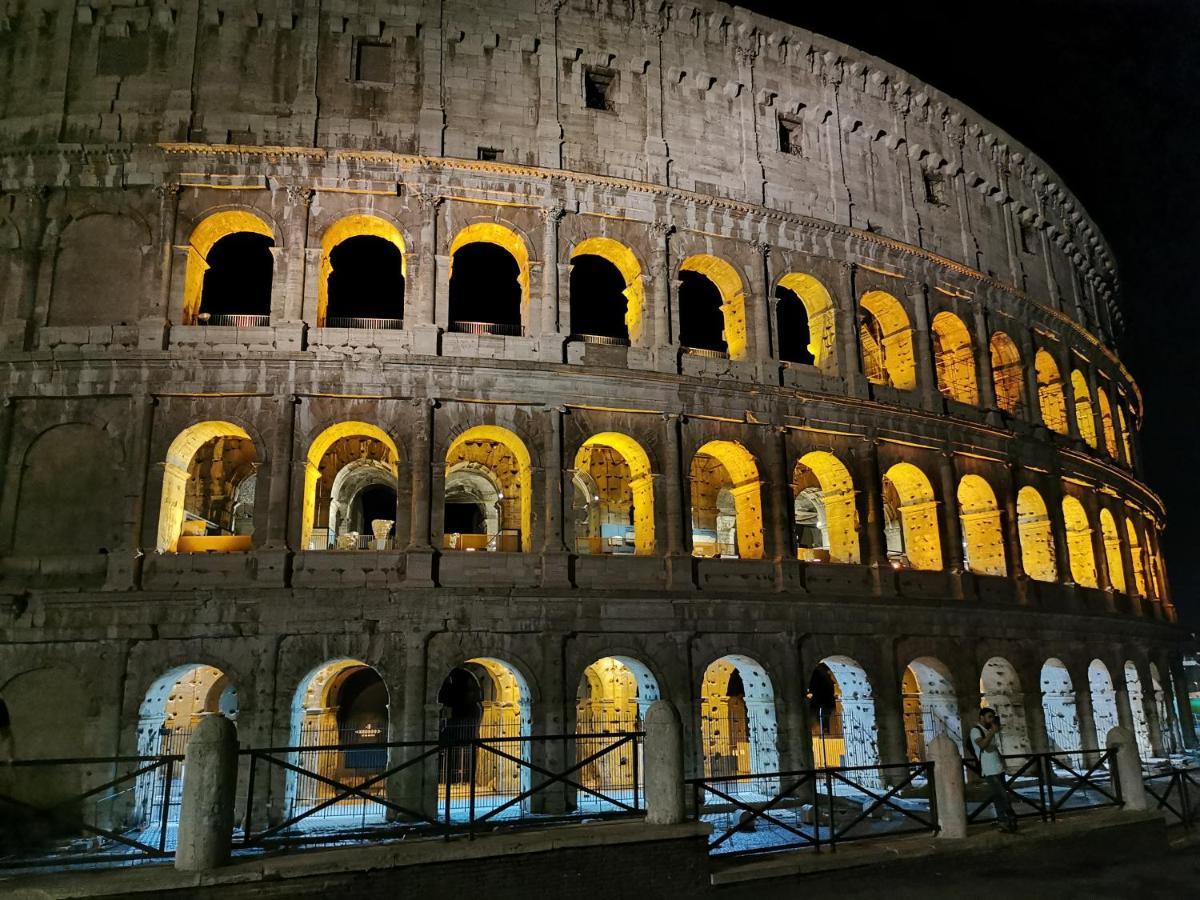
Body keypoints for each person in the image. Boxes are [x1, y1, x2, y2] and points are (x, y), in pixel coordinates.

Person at [972, 707, 1018, 833]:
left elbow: (994, 749)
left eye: (993, 717)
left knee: (999, 797)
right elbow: (982, 745)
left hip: (998, 768)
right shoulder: (976, 731)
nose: (992, 720)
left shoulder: (987, 730)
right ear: (981, 717)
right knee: (1003, 796)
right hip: (989, 770)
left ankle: (1002, 822)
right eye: (989, 717)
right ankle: (1011, 820)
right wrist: (992, 732)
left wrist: (1003, 763)